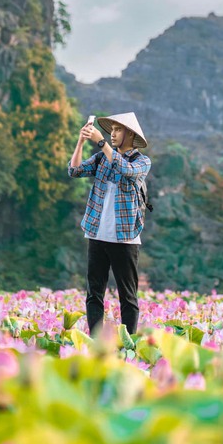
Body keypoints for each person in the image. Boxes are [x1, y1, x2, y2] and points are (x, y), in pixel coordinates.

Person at [68, 112, 151, 336]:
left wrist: (101, 142)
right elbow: (74, 170)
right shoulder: (101, 158)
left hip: (125, 238)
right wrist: (81, 141)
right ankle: (95, 343)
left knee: (128, 295)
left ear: (130, 134)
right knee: (94, 293)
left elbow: (126, 169)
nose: (112, 134)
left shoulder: (142, 162)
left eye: (117, 130)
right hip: (96, 234)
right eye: (111, 130)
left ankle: (129, 343)